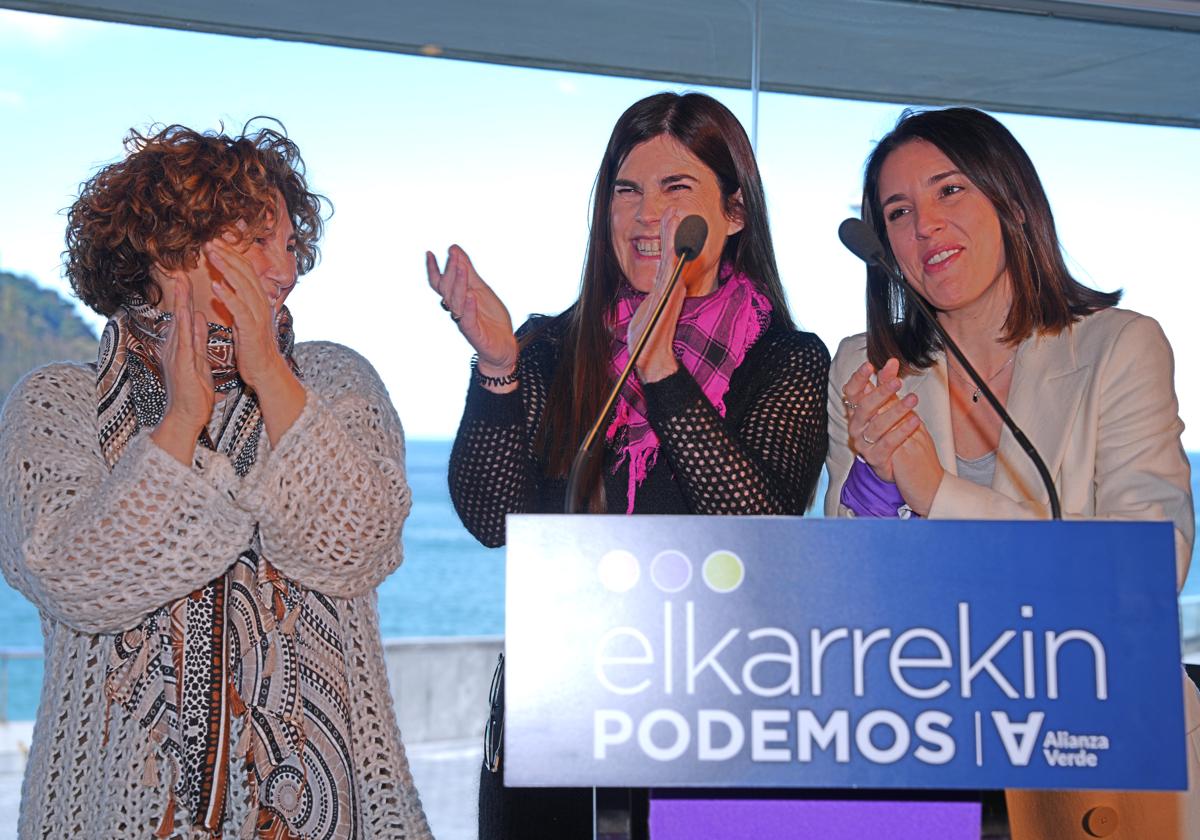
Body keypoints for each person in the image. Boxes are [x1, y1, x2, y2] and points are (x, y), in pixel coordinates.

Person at [0, 124, 431, 839]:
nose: (285, 270)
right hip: (117, 814)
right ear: (170, 250)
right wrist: (183, 418)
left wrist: (271, 376)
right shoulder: (59, 403)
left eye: (290, 246)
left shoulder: (331, 380)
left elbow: (361, 542)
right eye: (254, 241)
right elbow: (74, 576)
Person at [426, 91, 829, 838]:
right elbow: (489, 518)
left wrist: (661, 367)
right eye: (626, 190)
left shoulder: (785, 360)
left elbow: (762, 531)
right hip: (555, 729)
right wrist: (498, 369)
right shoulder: (553, 345)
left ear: (733, 214)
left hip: (721, 732)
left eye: (676, 190)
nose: (647, 216)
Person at [826, 106, 1198, 838]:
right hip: (934, 751)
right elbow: (854, 592)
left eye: (949, 191)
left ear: (1012, 201)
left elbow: (1148, 572)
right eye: (898, 212)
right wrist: (874, 482)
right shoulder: (865, 368)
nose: (925, 226)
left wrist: (937, 493)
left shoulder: (1120, 348)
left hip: (1111, 741)